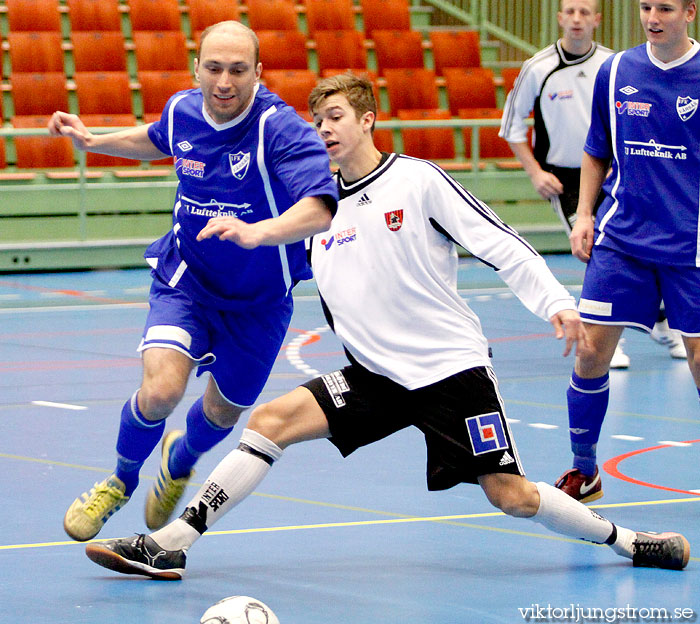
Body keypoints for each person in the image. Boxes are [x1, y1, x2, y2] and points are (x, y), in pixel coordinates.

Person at [82, 73, 689, 579]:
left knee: (511, 495)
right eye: (317, 120)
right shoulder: (313, 212)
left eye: (337, 116)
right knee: (269, 422)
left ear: (369, 119)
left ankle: (631, 542)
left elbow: (498, 243)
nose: (324, 129)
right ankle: (170, 546)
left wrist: (556, 302)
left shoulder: (416, 179)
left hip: (450, 372)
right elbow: (266, 261)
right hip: (374, 378)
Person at [49, 21, 338, 542]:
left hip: (259, 302)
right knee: (160, 392)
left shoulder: (280, 129)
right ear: (196, 68)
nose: (224, 81)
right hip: (186, 279)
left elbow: (319, 209)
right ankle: (119, 480)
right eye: (214, 68)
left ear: (258, 73)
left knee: (221, 413)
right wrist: (93, 140)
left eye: (237, 70)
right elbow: (157, 138)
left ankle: (180, 458)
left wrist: (258, 233)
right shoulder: (183, 108)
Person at [554, 0, 700, 503]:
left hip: (691, 244)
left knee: (699, 358)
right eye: (644, 6)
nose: (652, 16)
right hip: (622, 238)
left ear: (690, 13)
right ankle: (584, 469)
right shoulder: (616, 71)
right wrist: (585, 214)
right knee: (591, 350)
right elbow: (596, 149)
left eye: (664, 8)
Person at [499, 0, 686, 368]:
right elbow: (512, 127)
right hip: (564, 178)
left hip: (620, 171)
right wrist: (536, 173)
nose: (577, 19)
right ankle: (606, 339)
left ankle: (666, 322)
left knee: (643, 245)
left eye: (585, 12)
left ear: (597, 20)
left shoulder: (615, 64)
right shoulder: (537, 68)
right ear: (559, 18)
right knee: (595, 246)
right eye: (570, 11)